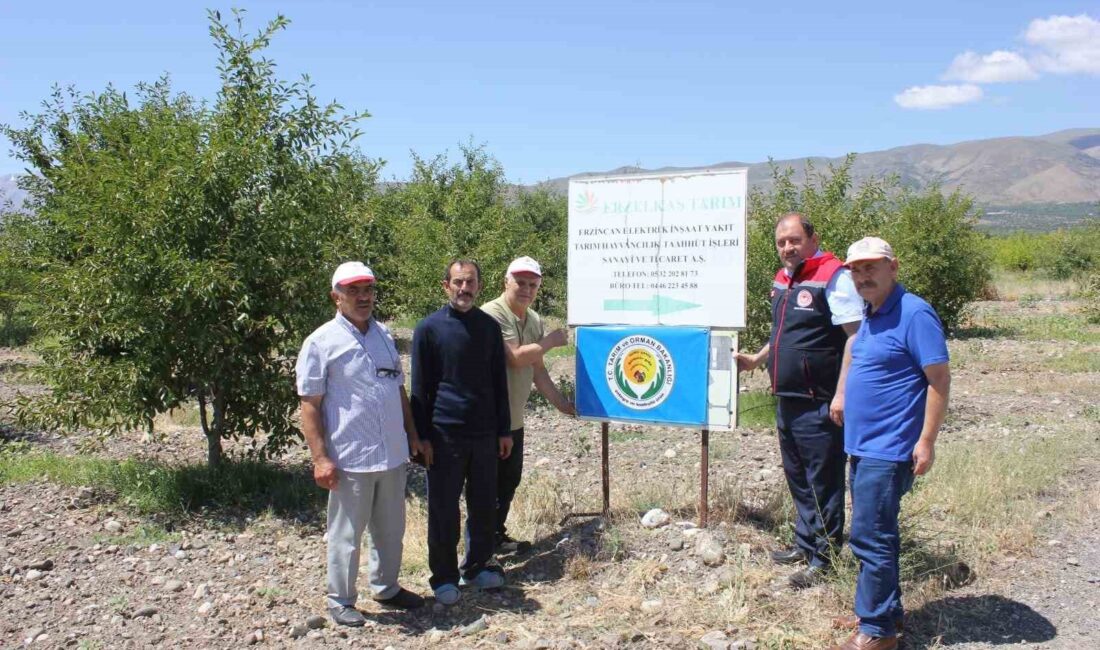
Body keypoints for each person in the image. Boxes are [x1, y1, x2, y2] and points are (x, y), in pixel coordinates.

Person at [829, 237, 950, 650]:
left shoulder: (915, 313)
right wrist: (843, 394)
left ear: (893, 267)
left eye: (871, 268)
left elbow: (939, 381)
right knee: (880, 534)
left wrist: (927, 441)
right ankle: (885, 613)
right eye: (855, 270)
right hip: (863, 446)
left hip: (889, 448)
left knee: (869, 536)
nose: (863, 276)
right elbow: (856, 351)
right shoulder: (873, 312)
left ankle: (877, 632)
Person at [295, 261, 432, 627]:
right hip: (348, 457)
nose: (363, 297)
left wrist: (413, 435)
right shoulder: (320, 342)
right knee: (346, 535)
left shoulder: (384, 335)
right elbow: (310, 405)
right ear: (336, 297)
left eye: (368, 289)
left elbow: (397, 388)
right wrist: (320, 458)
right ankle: (340, 600)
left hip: (391, 453)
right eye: (353, 291)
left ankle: (386, 587)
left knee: (391, 529)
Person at [735, 213, 863, 588]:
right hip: (787, 395)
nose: (787, 248)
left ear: (813, 239)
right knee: (798, 476)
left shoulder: (834, 277)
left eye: (794, 240)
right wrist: (758, 359)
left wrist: (842, 393)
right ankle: (804, 543)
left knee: (823, 479)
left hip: (819, 399)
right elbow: (783, 331)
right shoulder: (784, 278)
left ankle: (824, 558)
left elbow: (855, 338)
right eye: (781, 242)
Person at [411, 259, 512, 606]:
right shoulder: (428, 329)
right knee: (443, 509)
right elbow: (419, 388)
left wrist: (503, 430)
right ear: (445, 286)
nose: (464, 289)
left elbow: (499, 382)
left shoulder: (488, 327)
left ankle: (478, 566)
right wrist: (421, 438)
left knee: (483, 503)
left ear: (478, 287)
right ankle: (443, 577)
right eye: (457, 282)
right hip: (443, 435)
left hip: (484, 434)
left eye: (470, 283)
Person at [481, 256, 575, 553]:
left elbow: (537, 369)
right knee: (486, 486)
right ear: (505, 282)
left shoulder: (533, 319)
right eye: (520, 282)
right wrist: (551, 341)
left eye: (532, 284)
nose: (526, 288)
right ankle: (479, 552)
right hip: (488, 419)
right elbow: (515, 356)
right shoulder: (491, 314)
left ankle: (496, 537)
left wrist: (562, 405)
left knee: (508, 482)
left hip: (514, 419)